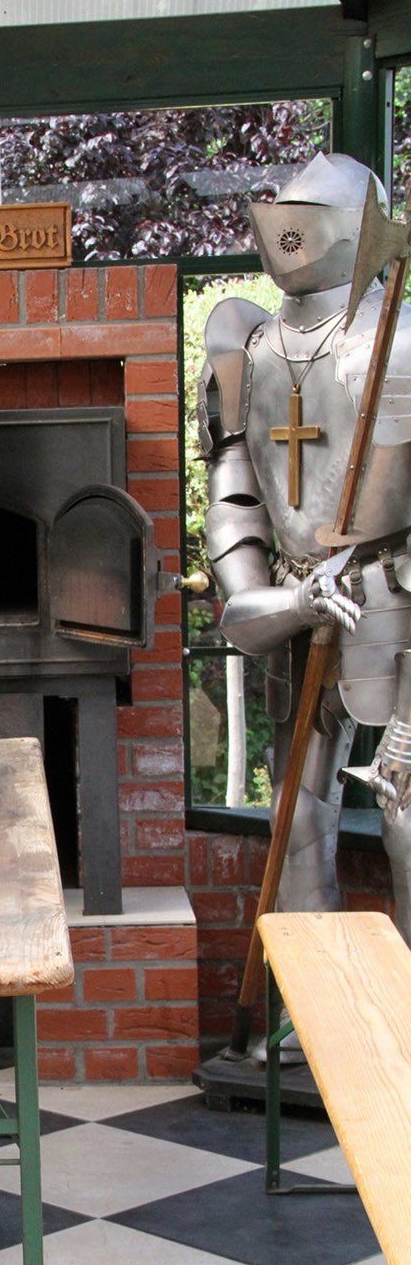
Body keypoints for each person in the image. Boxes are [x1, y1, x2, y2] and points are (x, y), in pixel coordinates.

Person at [200, 151, 411, 977]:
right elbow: (235, 492)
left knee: (405, 809)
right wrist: (265, 598)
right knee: (296, 814)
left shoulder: (399, 341)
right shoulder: (244, 346)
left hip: (397, 598)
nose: (288, 233)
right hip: (298, 597)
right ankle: (316, 1010)